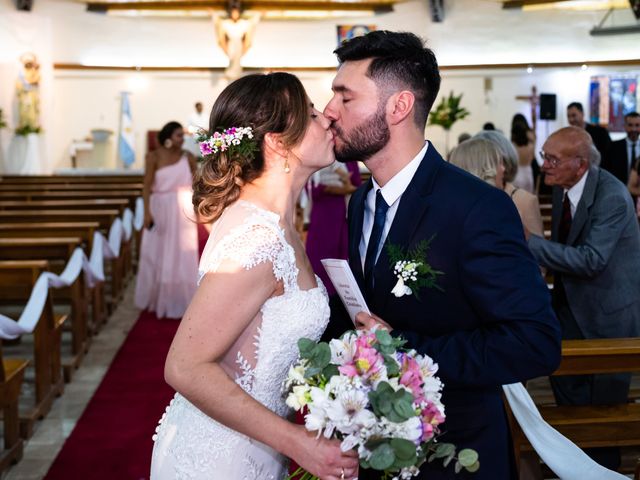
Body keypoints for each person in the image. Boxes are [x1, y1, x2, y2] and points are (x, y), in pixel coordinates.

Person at [322, 30, 561, 480]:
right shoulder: (360, 203)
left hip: (456, 451)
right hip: (376, 447)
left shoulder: (475, 207)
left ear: (399, 106)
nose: (329, 111)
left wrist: (401, 352)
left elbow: (535, 342)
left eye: (345, 97)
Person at [150, 73, 359, 480]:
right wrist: (297, 442)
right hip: (219, 459)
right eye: (313, 114)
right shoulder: (257, 239)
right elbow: (184, 367)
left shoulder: (279, 225)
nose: (327, 119)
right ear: (278, 143)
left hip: (258, 446)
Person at [527, 126, 640, 470]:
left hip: (609, 317)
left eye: (552, 159)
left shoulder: (612, 196)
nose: (543, 164)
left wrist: (528, 241)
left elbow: (591, 260)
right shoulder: (563, 188)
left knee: (604, 418)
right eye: (544, 155)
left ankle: (602, 473)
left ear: (580, 164)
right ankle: (574, 468)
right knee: (569, 402)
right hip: (570, 311)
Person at [134, 121, 199, 319]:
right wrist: (146, 212)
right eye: (179, 135)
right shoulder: (153, 157)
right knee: (158, 252)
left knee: (183, 253)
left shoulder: (188, 157)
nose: (183, 139)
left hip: (183, 208)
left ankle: (182, 298)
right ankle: (159, 297)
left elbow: (197, 183)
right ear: (169, 137)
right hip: (160, 207)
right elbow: (146, 186)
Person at [451, 135, 544, 241]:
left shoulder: (519, 200)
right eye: (498, 163)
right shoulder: (451, 206)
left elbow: (537, 249)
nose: (504, 169)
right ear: (483, 168)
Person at [305, 161, 360, 296]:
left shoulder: (350, 160)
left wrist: (345, 188)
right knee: (319, 254)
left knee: (341, 254)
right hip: (322, 214)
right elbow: (312, 188)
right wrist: (338, 189)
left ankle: (340, 293)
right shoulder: (319, 157)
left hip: (341, 212)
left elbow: (357, 185)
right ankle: (317, 291)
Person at [212, 1, 260, 80]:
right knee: (232, 58)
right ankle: (230, 73)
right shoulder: (226, 23)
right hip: (231, 44)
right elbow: (220, 33)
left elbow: (252, 24)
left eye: (236, 12)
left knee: (237, 59)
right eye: (233, 12)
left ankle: (236, 73)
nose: (235, 14)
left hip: (239, 44)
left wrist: (259, 14)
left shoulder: (243, 23)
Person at [602, 111, 639, 185]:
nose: (633, 129)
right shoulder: (613, 147)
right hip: (618, 190)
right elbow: (606, 171)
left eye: (637, 125)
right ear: (625, 126)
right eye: (630, 125)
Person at [510, 113, 536, 193]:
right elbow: (532, 158)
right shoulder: (531, 145)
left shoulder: (512, 146)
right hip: (528, 172)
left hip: (516, 174)